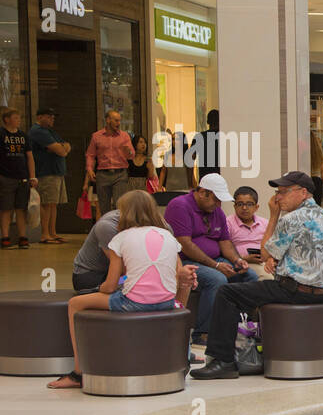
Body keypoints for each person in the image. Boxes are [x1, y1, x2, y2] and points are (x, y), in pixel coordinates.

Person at [191, 172, 323, 379]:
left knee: (227, 293)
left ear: (303, 192)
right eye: (277, 192)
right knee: (253, 289)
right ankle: (255, 350)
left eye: (283, 192)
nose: (278, 198)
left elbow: (264, 253)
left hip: (297, 290)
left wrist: (274, 216)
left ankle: (222, 361)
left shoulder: (292, 218)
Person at [48, 190, 197, 389]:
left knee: (75, 304)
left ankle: (78, 372)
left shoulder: (120, 238)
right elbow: (174, 273)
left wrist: (99, 289)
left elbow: (110, 285)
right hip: (167, 302)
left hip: (133, 303)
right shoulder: (168, 236)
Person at [164, 173, 258, 343]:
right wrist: (215, 265)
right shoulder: (179, 206)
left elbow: (225, 242)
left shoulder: (217, 211)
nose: (218, 204)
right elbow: (184, 244)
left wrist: (237, 260)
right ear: (202, 192)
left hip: (215, 261)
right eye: (215, 199)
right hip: (184, 262)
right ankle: (203, 333)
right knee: (216, 279)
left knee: (249, 276)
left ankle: (237, 325)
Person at [27, 107, 71, 244]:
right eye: (49, 116)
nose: (52, 119)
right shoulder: (37, 131)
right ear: (40, 117)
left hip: (56, 172)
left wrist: (61, 147)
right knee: (46, 203)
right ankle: (44, 234)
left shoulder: (50, 131)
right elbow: (62, 151)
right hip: (46, 172)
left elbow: (66, 146)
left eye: (53, 117)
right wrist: (60, 148)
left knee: (53, 204)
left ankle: (52, 232)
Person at [84, 109, 134, 220]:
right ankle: (107, 231)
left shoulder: (124, 136)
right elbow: (90, 155)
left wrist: (128, 151)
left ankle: (119, 231)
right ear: (107, 120)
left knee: (119, 205)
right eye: (116, 120)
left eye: (119, 121)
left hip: (120, 173)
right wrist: (90, 169)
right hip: (103, 173)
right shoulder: (96, 136)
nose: (118, 123)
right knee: (104, 207)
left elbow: (131, 155)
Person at [1, 106, 36, 250]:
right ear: (7, 120)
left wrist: (32, 176)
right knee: (6, 208)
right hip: (6, 176)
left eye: (19, 118)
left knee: (21, 208)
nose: (18, 120)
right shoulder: (1, 135)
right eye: (15, 118)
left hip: (22, 177)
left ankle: (23, 237)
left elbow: (29, 157)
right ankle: (5, 237)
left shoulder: (23, 136)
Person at [226, 186, 270, 278]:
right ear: (234, 206)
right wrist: (243, 257)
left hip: (264, 261)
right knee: (267, 277)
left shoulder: (265, 223)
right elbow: (224, 249)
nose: (244, 208)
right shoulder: (228, 223)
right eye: (240, 204)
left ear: (256, 207)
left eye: (249, 204)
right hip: (241, 262)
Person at [186, 109, 223, 177]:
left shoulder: (200, 137)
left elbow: (190, 159)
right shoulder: (224, 137)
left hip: (205, 178)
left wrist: (190, 181)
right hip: (221, 178)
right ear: (220, 120)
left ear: (207, 121)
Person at [160, 129, 194, 193]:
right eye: (173, 139)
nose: (174, 141)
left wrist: (191, 187)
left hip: (184, 189)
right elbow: (163, 171)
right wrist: (159, 187)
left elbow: (190, 174)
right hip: (169, 189)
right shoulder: (168, 155)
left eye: (177, 139)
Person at [309, 131, 323, 205]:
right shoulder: (319, 153)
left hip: (307, 181)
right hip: (317, 181)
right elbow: (322, 170)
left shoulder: (303, 152)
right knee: (317, 206)